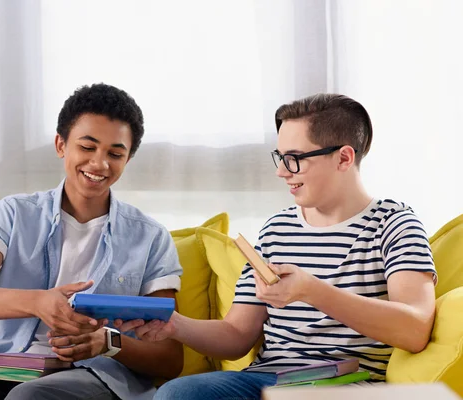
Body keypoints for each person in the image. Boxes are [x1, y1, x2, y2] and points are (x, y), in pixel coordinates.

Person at [128, 93, 437, 400]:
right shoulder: (277, 228)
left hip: (346, 386)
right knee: (178, 394)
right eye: (280, 157)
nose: (282, 172)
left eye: (295, 159)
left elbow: (414, 329)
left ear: (343, 157)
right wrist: (175, 326)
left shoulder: (394, 224)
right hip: (267, 381)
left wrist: (312, 290)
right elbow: (236, 335)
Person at [0, 83, 183, 400]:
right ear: (61, 144)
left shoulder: (150, 237)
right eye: (88, 147)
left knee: (31, 397)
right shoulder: (15, 213)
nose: (99, 163)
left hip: (95, 375)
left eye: (115, 153)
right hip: (12, 367)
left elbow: (171, 359)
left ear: (127, 159)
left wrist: (108, 342)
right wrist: (38, 302)